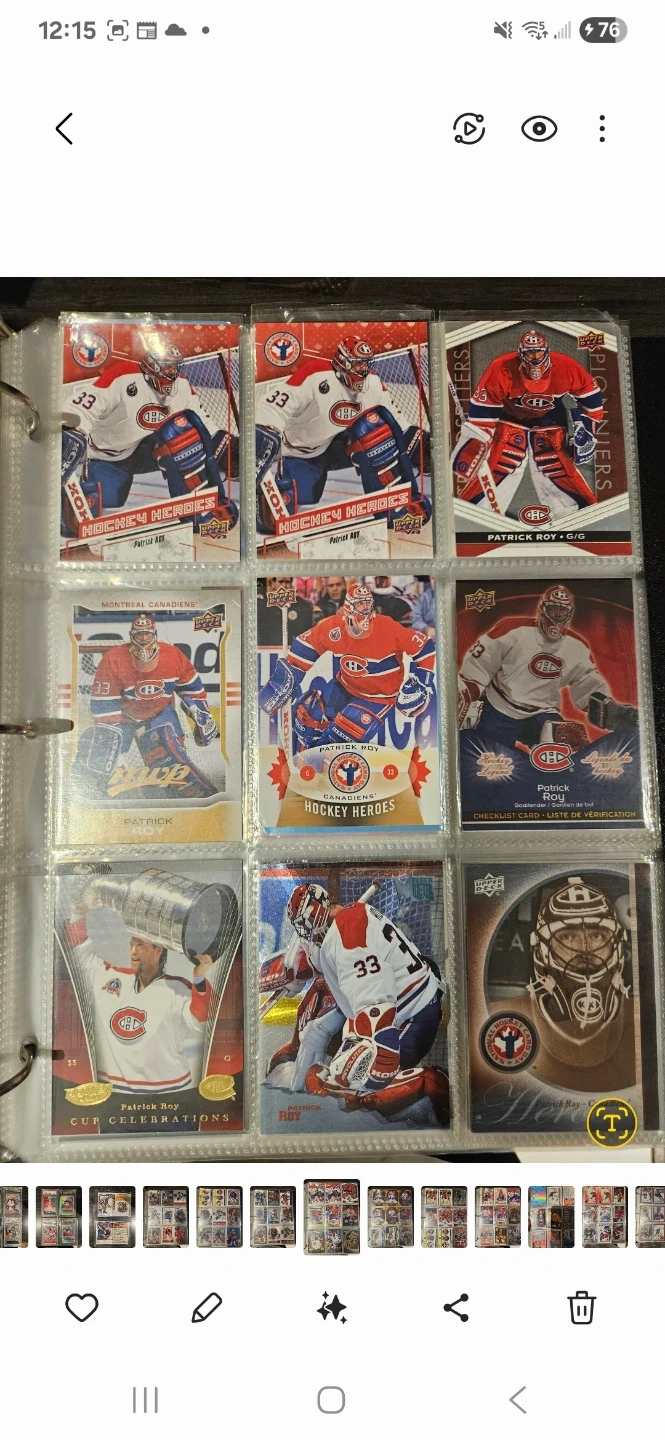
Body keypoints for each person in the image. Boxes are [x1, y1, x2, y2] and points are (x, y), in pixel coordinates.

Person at [261, 882, 448, 1122]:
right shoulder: (337, 924)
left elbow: (374, 994)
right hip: (395, 1008)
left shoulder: (347, 935)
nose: (305, 931)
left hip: (410, 1015)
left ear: (318, 912)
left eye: (307, 922)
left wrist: (383, 1058)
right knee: (330, 1074)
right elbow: (319, 956)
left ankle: (431, 1085)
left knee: (351, 1097)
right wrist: (294, 971)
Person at [62, 331, 237, 534]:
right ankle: (75, 489)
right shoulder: (123, 376)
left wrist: (226, 446)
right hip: (108, 456)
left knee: (183, 434)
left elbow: (204, 425)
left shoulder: (182, 386)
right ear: (152, 365)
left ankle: (199, 505)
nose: (173, 372)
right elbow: (80, 406)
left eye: (175, 367)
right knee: (96, 507)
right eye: (167, 366)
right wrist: (74, 432)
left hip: (146, 449)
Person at [255, 335, 430, 533]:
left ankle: (391, 505)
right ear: (342, 362)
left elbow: (397, 422)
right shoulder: (316, 374)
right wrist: (266, 432)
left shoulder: (373, 383)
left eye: (366, 364)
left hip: (342, 447)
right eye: (358, 364)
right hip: (304, 452)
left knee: (375, 431)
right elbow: (273, 406)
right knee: (277, 516)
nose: (363, 370)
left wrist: (418, 443)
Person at [258, 582, 436, 752]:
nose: (365, 610)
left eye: (367, 605)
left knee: (338, 737)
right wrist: (287, 676)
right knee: (309, 720)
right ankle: (305, 767)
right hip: (345, 686)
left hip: (379, 697)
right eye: (359, 605)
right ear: (347, 609)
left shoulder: (388, 627)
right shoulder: (334, 628)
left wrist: (423, 682)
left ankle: (328, 768)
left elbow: (425, 647)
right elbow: (307, 643)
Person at [61, 899, 214, 1095]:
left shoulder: (177, 989)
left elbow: (200, 1023)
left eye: (140, 945)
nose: (133, 952)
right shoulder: (111, 979)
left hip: (170, 1095)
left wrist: (199, 978)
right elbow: (79, 956)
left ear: (158, 950)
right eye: (131, 945)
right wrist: (78, 913)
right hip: (113, 1096)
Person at [458, 584, 637, 749]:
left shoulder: (577, 646)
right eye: (553, 609)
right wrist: (468, 690)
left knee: (569, 743)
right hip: (500, 709)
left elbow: (586, 683)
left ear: (569, 613)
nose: (557, 615)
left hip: (542, 713)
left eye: (562, 610)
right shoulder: (512, 629)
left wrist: (607, 710)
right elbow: (481, 663)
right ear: (542, 609)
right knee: (488, 758)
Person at [452, 329, 603, 518]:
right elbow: (484, 409)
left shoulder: (566, 366)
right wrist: (480, 440)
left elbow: (591, 397)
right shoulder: (502, 367)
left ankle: (578, 517)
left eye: (538, 353)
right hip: (510, 414)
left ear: (547, 352)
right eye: (530, 353)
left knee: (552, 460)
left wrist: (588, 431)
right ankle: (475, 515)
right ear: (520, 355)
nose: (535, 358)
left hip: (550, 415)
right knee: (501, 459)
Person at [74, 613, 219, 799]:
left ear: (155, 635)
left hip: (159, 710)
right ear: (132, 636)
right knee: (100, 749)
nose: (143, 638)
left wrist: (201, 711)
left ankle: (184, 792)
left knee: (168, 753)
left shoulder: (173, 655)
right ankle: (89, 790)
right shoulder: (114, 659)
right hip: (125, 716)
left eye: (147, 634)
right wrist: (109, 736)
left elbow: (191, 687)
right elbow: (104, 702)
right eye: (139, 634)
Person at [256, 577, 314, 646]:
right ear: (273, 584)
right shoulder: (263, 606)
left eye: (287, 582)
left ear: (291, 584)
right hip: (270, 648)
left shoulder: (302, 605)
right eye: (281, 582)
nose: (284, 585)